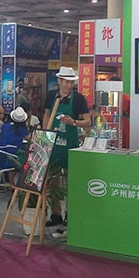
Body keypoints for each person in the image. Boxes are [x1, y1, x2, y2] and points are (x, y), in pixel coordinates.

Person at [42, 66, 91, 228]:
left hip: (70, 144)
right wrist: (45, 135)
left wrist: (73, 122)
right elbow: (47, 115)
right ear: (59, 81)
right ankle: (55, 214)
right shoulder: (51, 96)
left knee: (71, 181)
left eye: (71, 82)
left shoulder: (78, 99)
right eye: (65, 82)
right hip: (53, 144)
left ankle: (70, 213)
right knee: (53, 181)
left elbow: (88, 122)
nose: (68, 85)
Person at [0, 106, 29, 185]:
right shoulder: (22, 130)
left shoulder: (5, 126)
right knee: (25, 159)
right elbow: (30, 140)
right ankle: (15, 185)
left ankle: (9, 183)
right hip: (12, 159)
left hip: (0, 158)